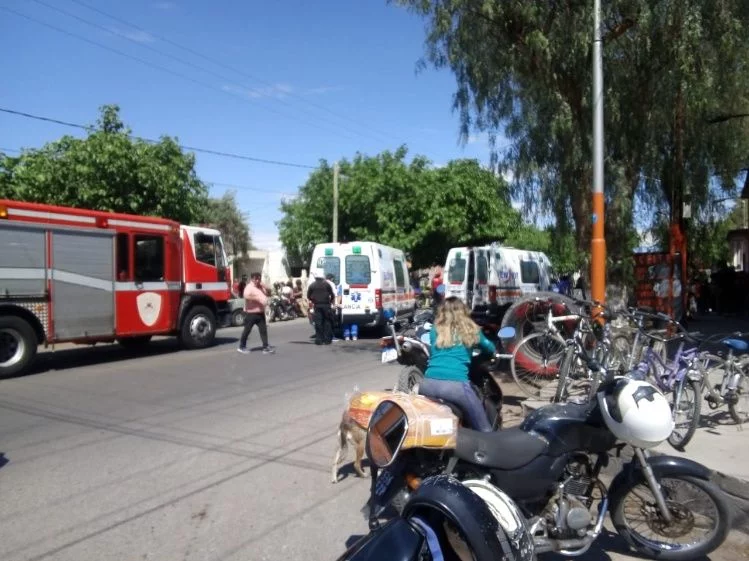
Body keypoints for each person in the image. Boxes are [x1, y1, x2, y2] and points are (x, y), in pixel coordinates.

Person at [418, 297, 496, 432]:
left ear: (442, 312)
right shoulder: (470, 329)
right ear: (463, 311)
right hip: (456, 387)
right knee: (484, 429)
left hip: (427, 384)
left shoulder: (435, 329)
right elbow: (489, 348)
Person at [237, 272, 275, 354]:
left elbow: (269, 292)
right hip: (251, 313)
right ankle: (241, 347)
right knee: (247, 330)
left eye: (259, 279)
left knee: (263, 330)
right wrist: (257, 298)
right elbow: (246, 296)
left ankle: (265, 347)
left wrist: (265, 286)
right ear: (252, 279)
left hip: (260, 312)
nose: (258, 280)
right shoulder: (249, 287)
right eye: (256, 279)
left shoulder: (260, 287)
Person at [307, 270, 336, 345]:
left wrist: (313, 300)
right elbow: (332, 294)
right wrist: (330, 301)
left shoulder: (312, 285)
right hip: (326, 305)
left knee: (318, 322)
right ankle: (327, 340)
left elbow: (308, 295)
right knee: (327, 322)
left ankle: (319, 339)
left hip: (317, 305)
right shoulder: (326, 284)